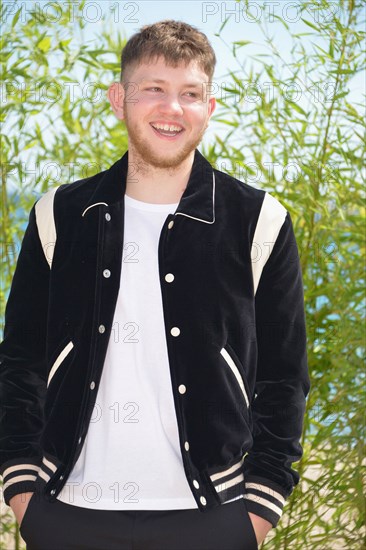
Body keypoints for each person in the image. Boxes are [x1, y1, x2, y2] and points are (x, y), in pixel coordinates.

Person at [0, 20, 310, 550]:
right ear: (119, 98)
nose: (173, 109)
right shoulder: (60, 215)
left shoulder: (261, 222)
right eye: (154, 89)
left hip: (214, 516)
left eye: (191, 93)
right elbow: (20, 360)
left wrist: (258, 509)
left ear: (210, 108)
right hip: (66, 509)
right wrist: (23, 493)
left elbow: (285, 379)